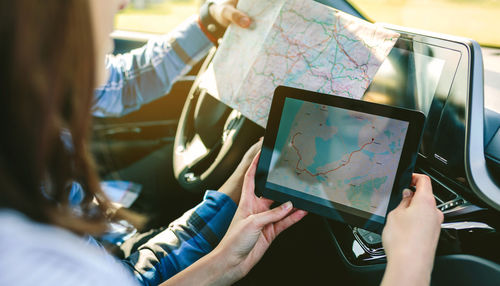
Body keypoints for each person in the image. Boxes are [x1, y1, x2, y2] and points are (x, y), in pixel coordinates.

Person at [0, 1, 443, 286]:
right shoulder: (34, 258)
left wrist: (225, 254)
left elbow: (122, 82)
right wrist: (410, 262)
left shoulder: (28, 113)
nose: (122, 2)